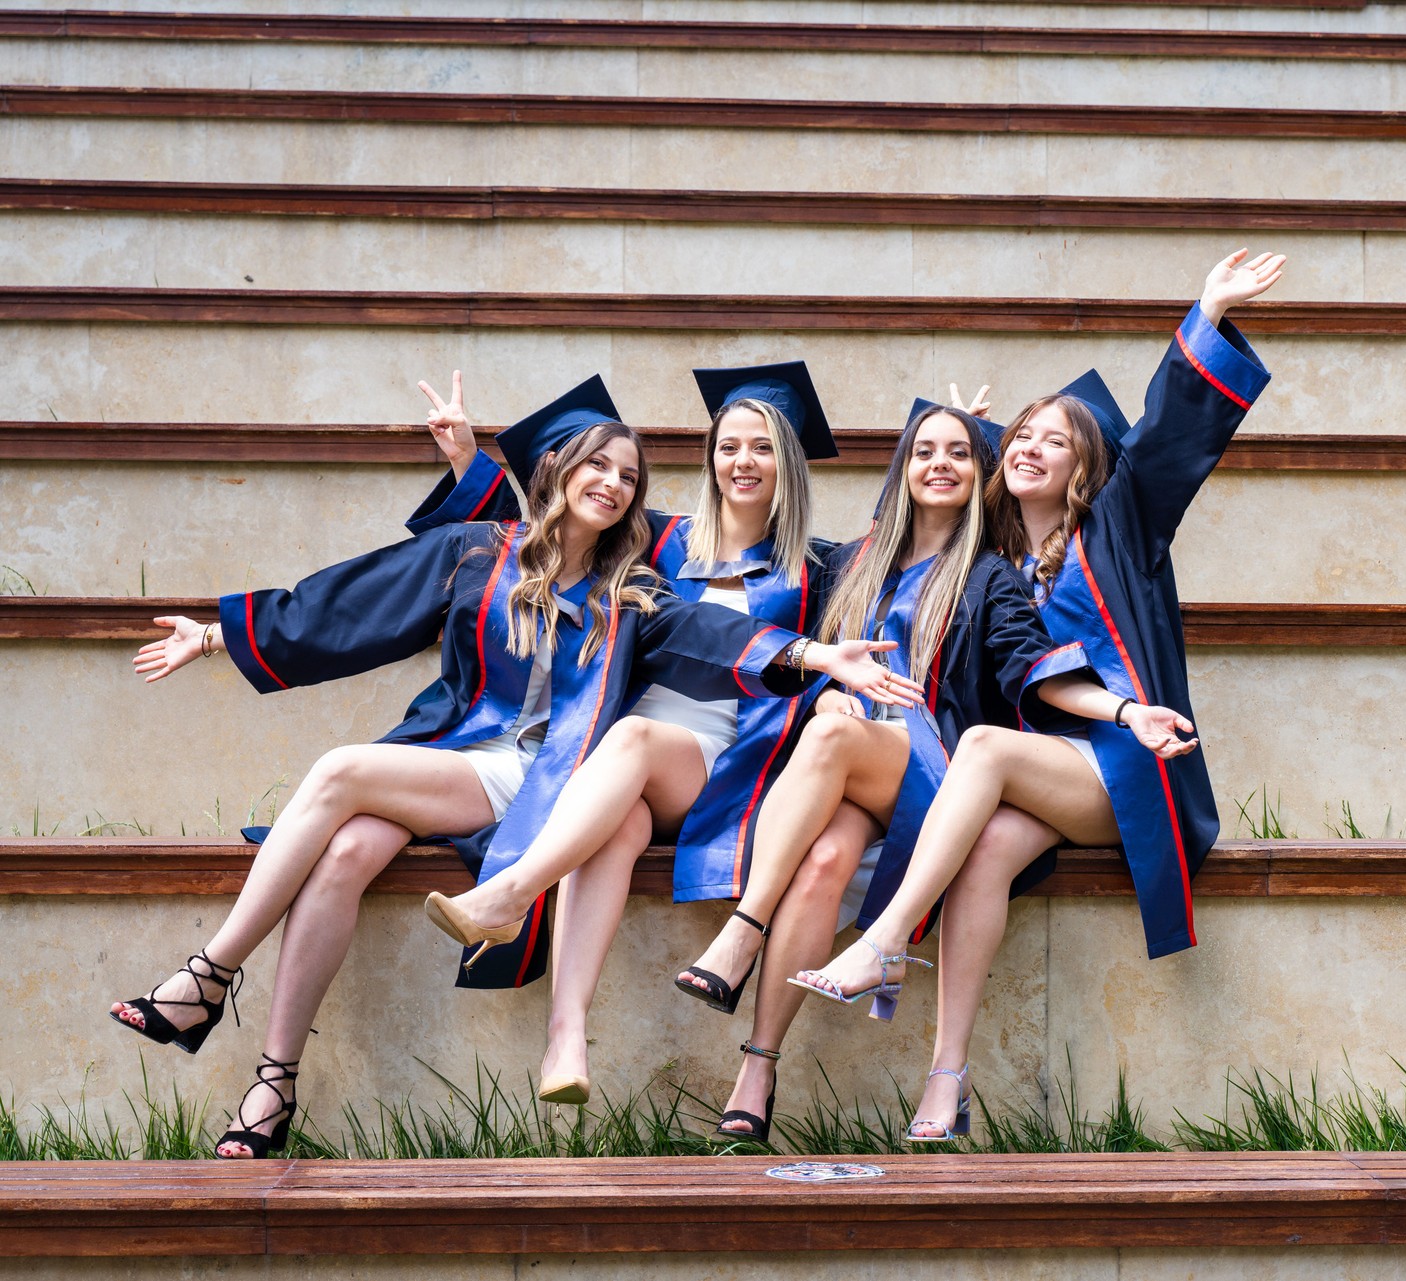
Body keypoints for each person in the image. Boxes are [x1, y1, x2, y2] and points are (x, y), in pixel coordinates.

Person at [108, 375, 901, 1157]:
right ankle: (274, 1084)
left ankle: (207, 975)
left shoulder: (636, 583)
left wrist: (817, 656)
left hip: (562, 770)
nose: (615, 484)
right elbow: (356, 603)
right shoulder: (511, 551)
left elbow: (705, 631)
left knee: (342, 770)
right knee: (346, 848)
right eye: (596, 466)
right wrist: (215, 634)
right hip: (454, 751)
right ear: (552, 469)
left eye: (628, 475)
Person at [790, 249, 1286, 1142]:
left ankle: (885, 939)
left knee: (981, 749)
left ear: (1088, 466)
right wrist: (960, 437)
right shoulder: (988, 564)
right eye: (1017, 436)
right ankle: (946, 1084)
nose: (1029, 447)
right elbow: (907, 518)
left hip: (1129, 764)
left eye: (1053, 439)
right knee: (981, 853)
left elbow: (1170, 438)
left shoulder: (1121, 528)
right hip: (1039, 773)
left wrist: (1205, 315)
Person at [675, 399, 1163, 1144]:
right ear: (900, 468)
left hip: (934, 769)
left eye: (961, 453)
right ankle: (759, 1065)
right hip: (867, 777)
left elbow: (1037, 671)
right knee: (825, 857)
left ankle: (748, 930)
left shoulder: (987, 579)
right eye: (924, 450)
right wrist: (829, 686)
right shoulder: (849, 566)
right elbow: (793, 643)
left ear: (980, 476)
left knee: (832, 738)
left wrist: (1127, 712)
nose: (940, 464)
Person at [403, 363, 887, 1106]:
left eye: (762, 448)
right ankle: (567, 1040)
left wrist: (828, 701)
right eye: (729, 446)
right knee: (619, 819)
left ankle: (509, 894)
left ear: (786, 461)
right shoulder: (661, 542)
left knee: (629, 741)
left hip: (733, 764)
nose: (743, 462)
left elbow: (892, 573)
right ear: (710, 456)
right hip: (629, 765)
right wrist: (470, 460)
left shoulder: (819, 568)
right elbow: (556, 530)